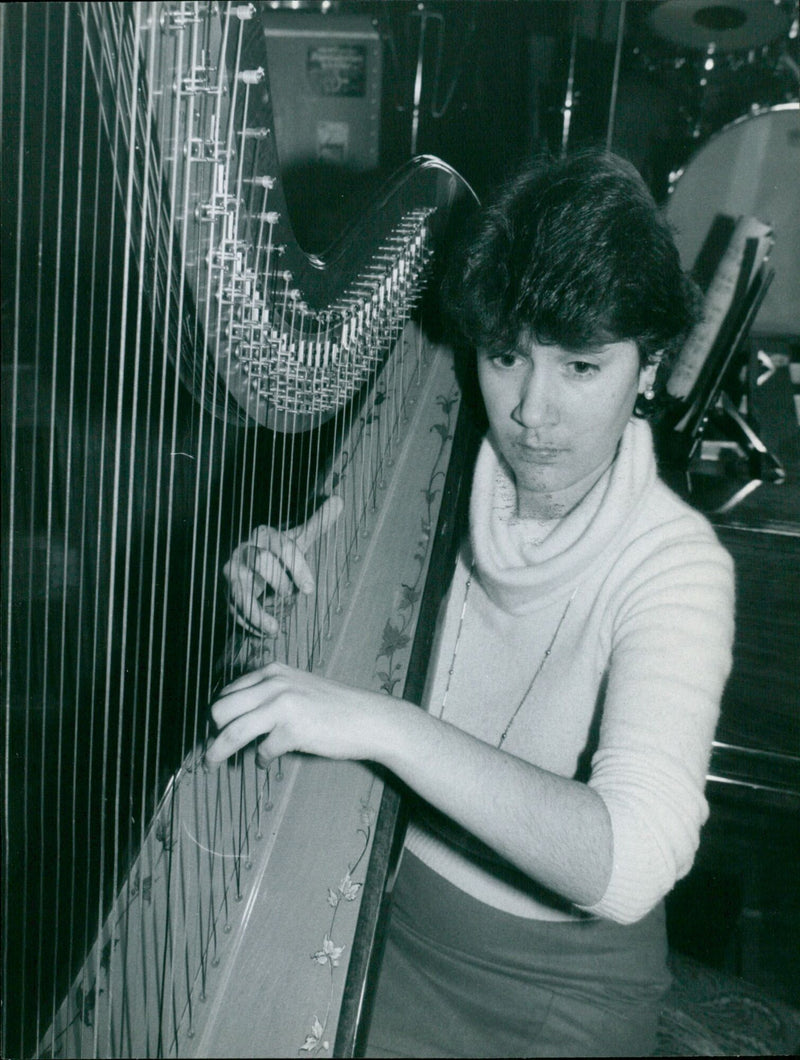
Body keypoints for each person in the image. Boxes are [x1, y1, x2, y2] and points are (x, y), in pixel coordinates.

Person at [208, 149, 735, 1057]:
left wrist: (385, 725)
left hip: (550, 988)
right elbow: (278, 698)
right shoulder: (433, 459)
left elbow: (634, 860)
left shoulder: (677, 565)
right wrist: (265, 608)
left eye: (581, 367)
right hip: (376, 901)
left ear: (646, 368)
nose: (532, 410)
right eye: (504, 356)